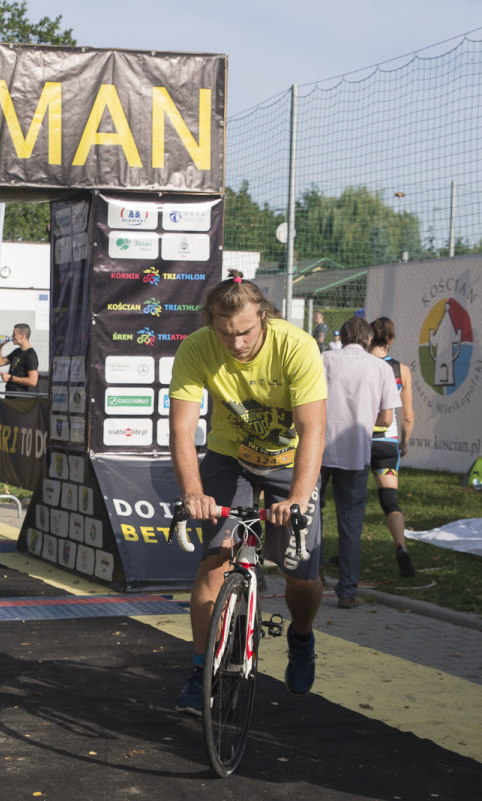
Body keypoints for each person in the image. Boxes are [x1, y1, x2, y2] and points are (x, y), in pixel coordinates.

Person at [168, 269, 327, 715]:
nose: (236, 343)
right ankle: (201, 672)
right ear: (212, 324)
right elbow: (181, 430)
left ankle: (301, 636)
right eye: (225, 333)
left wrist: (297, 497)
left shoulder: (296, 346)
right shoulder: (197, 347)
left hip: (289, 462)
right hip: (229, 458)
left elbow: (313, 429)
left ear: (264, 318)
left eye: (245, 332)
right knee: (213, 565)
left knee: (301, 575)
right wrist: (193, 491)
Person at [320, 316, 401, 609]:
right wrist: (365, 419)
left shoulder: (325, 358)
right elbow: (387, 418)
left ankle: (311, 577)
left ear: (341, 337)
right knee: (351, 525)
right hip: (356, 452)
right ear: (369, 340)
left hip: (321, 448)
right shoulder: (381, 367)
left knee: (310, 517)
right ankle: (348, 592)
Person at [369, 317, 417, 577]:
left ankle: (345, 553)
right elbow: (407, 414)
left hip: (359, 441)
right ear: (391, 340)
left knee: (348, 502)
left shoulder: (362, 365)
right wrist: (405, 442)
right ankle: (401, 547)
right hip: (387, 444)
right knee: (389, 500)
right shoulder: (402, 369)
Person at [0, 323, 39, 392]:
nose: (12, 336)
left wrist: (11, 378)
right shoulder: (17, 351)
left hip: (20, 397)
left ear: (22, 336)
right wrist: (0, 347)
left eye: (14, 334)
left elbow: (33, 381)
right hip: (10, 394)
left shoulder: (31, 355)